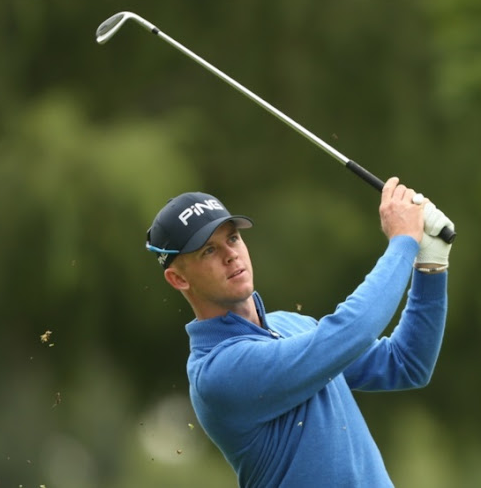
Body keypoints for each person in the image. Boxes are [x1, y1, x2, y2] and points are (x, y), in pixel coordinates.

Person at [145, 177, 454, 487]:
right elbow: (352, 331)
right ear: (178, 280)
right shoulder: (219, 372)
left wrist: (431, 264)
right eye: (208, 250)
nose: (231, 255)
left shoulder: (291, 326)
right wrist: (403, 242)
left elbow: (406, 364)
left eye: (234, 238)